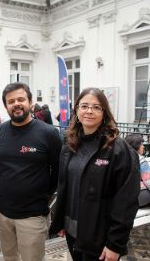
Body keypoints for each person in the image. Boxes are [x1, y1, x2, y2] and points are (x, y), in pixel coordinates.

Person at [49, 87, 140, 261]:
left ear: (105, 112)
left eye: (96, 107)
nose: (89, 111)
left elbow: (126, 201)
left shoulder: (119, 150)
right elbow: (65, 187)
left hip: (100, 237)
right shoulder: (69, 145)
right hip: (72, 231)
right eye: (84, 106)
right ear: (76, 110)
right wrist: (61, 220)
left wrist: (115, 244)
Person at [0, 82, 62, 261]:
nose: (16, 104)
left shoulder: (49, 133)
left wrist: (43, 196)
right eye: (11, 101)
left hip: (33, 216)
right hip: (3, 214)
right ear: (6, 106)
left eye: (21, 99)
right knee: (9, 257)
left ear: (30, 102)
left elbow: (58, 172)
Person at [125, 134, 150, 208]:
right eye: (141, 144)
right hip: (138, 196)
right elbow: (148, 181)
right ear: (136, 145)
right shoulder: (140, 159)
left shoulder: (121, 157)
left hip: (123, 197)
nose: (143, 146)